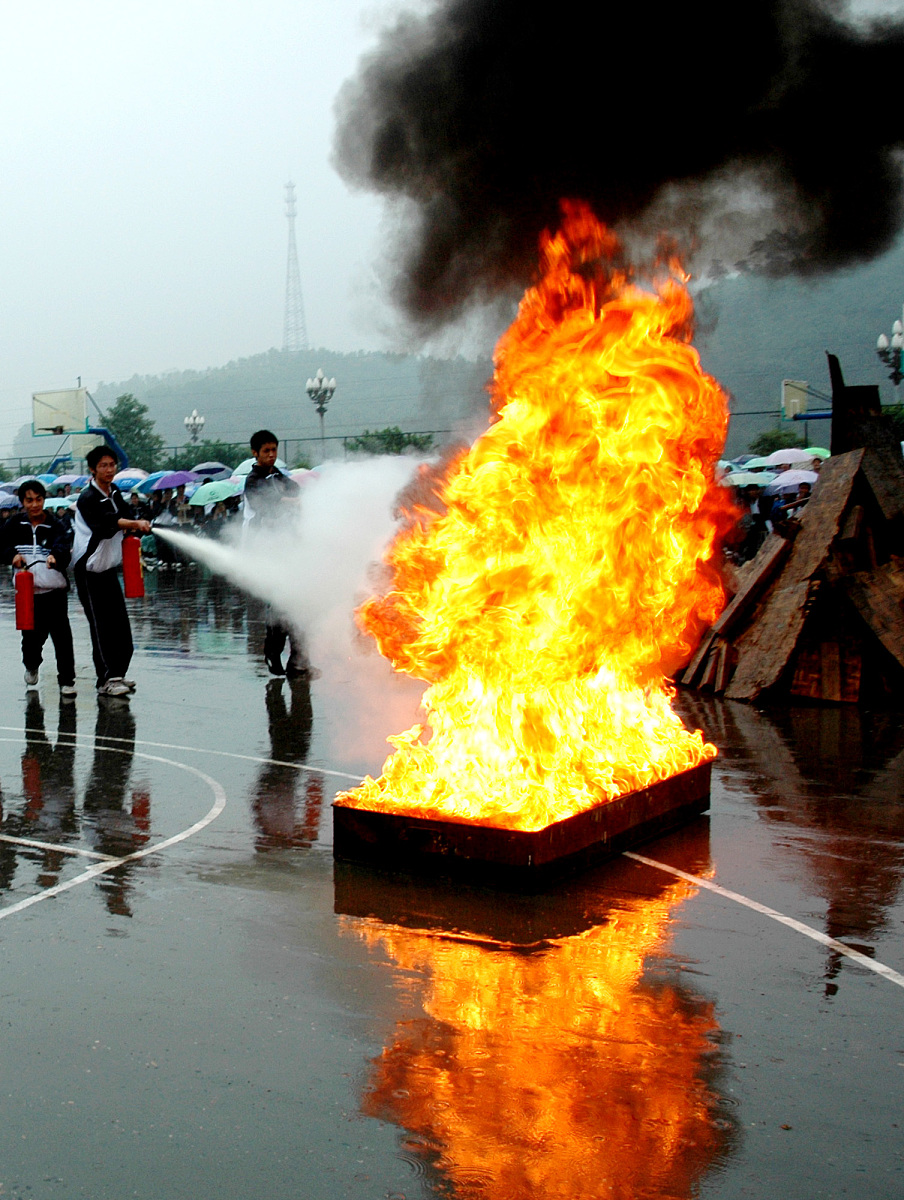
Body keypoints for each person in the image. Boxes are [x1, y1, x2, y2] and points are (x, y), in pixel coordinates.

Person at [71, 446, 151, 697]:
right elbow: (107, 523)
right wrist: (132, 523)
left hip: (108, 571)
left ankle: (118, 674)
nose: (109, 469)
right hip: (89, 573)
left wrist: (137, 524)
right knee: (101, 627)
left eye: (112, 464)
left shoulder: (115, 492)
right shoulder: (87, 498)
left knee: (120, 625)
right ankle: (105, 679)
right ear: (93, 469)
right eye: (103, 465)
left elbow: (125, 516)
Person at [0, 479, 77, 695]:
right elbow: (1, 546)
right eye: (29, 500)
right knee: (31, 638)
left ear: (44, 500)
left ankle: (67, 681)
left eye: (39, 499)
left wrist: (56, 557)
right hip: (27, 594)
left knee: (62, 638)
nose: (35, 505)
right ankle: (31, 665)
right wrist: (11, 556)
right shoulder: (14, 525)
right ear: (23, 502)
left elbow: (64, 545)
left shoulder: (56, 525)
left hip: (55, 592)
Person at [243, 429, 309, 677]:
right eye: (266, 451)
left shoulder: (278, 476)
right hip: (269, 551)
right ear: (255, 453)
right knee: (281, 607)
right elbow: (267, 502)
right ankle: (272, 654)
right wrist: (289, 502)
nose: (271, 455)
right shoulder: (253, 480)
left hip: (290, 548)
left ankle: (299, 661)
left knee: (299, 605)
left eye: (274, 450)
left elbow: (296, 491)